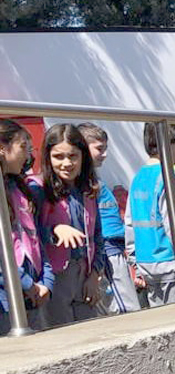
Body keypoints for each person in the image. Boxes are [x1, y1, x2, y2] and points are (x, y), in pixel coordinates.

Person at [33, 123, 107, 326]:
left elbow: (98, 236)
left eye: (73, 156)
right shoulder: (38, 190)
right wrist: (55, 231)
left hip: (85, 276)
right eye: (58, 157)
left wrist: (94, 275)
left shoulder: (88, 190)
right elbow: (29, 235)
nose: (66, 163)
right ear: (48, 157)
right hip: (55, 277)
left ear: (83, 156)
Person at [125, 123, 175, 307]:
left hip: (146, 264)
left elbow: (130, 224)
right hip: (170, 264)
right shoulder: (167, 177)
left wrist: (135, 263)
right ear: (167, 144)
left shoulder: (137, 178)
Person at [77, 122, 141, 314]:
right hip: (106, 254)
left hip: (114, 252)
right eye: (99, 149)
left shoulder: (95, 182)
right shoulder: (86, 186)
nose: (104, 154)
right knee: (125, 310)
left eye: (105, 148)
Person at [0, 120, 53, 335]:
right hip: (7, 298)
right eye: (23, 147)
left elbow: (35, 238)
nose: (28, 155)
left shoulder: (20, 189)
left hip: (33, 292)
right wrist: (26, 283)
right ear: (2, 149)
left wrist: (45, 281)